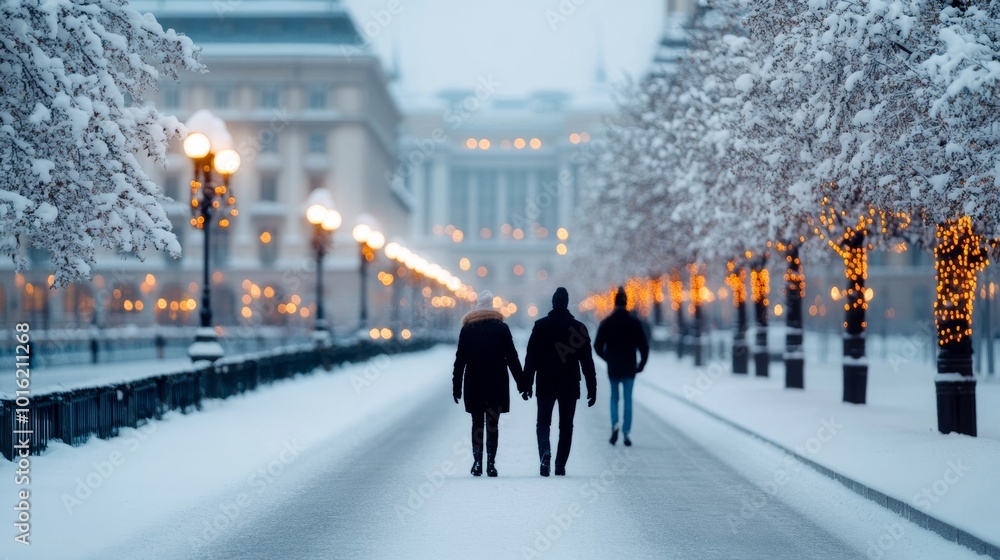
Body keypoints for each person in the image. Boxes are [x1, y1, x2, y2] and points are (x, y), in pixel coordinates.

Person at [521, 287, 597, 477]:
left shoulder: (540, 326)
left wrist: (526, 383)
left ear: (553, 303)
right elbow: (587, 361)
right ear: (567, 304)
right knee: (566, 426)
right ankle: (560, 465)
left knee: (543, 422)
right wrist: (592, 386)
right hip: (569, 383)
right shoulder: (579, 328)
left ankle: (545, 453)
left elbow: (531, 357)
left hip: (545, 381)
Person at [453, 291, 525, 477]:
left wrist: (456, 386)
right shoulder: (501, 328)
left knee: (477, 423)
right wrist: (522, 383)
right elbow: (512, 358)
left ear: (477, 306)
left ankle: (477, 463)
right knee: (493, 424)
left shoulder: (467, 329)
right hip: (496, 383)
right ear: (492, 306)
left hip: (474, 383)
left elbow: (460, 360)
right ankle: (491, 464)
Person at [594, 286, 649, 447]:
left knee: (614, 397)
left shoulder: (607, 322)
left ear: (614, 302)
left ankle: (614, 424)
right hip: (630, 367)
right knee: (627, 399)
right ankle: (626, 432)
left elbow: (597, 346)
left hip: (613, 367)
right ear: (627, 303)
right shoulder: (634, 323)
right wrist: (641, 364)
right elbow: (644, 346)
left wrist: (607, 358)